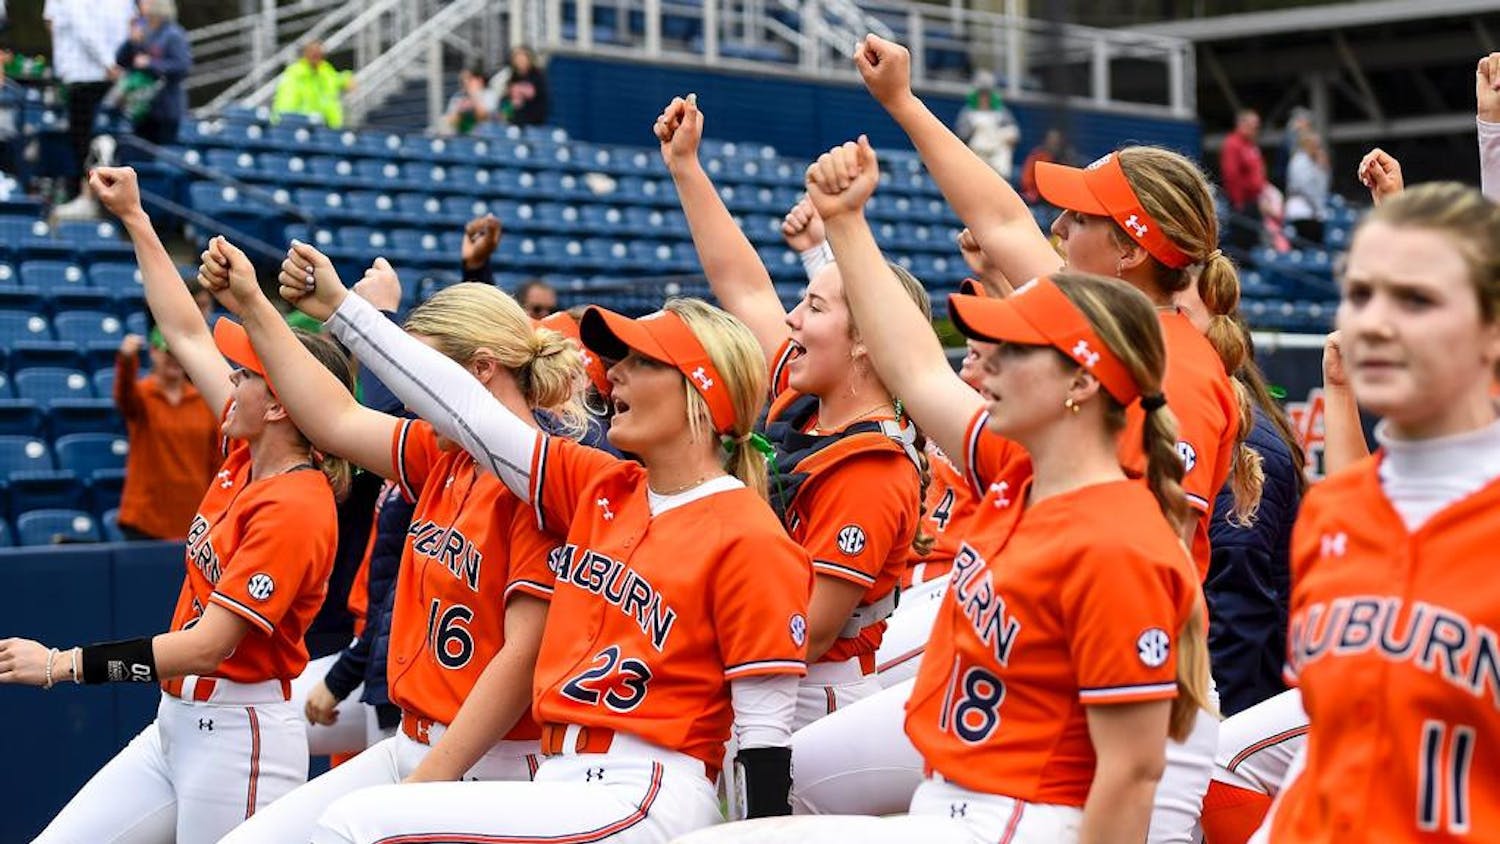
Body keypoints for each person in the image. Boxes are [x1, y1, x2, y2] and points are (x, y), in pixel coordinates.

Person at [264, 243, 813, 842]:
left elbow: (763, 737)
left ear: (700, 396)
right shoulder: (601, 486)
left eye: (640, 361)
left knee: (359, 825)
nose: (615, 372)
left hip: (647, 789)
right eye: (617, 359)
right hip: (561, 779)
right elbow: (468, 411)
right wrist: (343, 312)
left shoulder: (750, 533)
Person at [0, 165, 353, 844]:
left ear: (279, 403)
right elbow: (187, 331)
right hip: (173, 726)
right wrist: (136, 218)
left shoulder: (297, 505)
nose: (230, 378)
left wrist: (63, 664)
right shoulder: (250, 449)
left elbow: (208, 647)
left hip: (239, 738)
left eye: (246, 373)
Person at [200, 241, 586, 842]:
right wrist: (253, 304)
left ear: (480, 369)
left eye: (423, 372)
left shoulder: (541, 481)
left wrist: (425, 786)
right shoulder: (447, 455)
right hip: (412, 738)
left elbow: (521, 662)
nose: (409, 395)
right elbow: (334, 419)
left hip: (493, 767)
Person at [657, 93, 926, 728]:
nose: (791, 317)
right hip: (763, 669)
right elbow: (744, 285)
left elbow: (808, 633)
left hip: (813, 698)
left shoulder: (873, 465)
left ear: (866, 341)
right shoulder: (806, 399)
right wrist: (686, 167)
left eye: (816, 307)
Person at [1261, 182, 1500, 840]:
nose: (1374, 323)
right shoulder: (1332, 509)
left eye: (1416, 299)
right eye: (1360, 294)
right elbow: (1326, 749)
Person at [113, 324, 221, 540]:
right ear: (153, 352)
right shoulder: (143, 396)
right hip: (145, 519)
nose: (174, 360)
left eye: (178, 354)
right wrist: (126, 360)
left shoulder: (204, 401)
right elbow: (124, 395)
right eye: (167, 352)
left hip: (193, 518)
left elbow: (216, 460)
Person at [42, 0, 133, 203]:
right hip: (92, 75)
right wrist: (111, 63)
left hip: (93, 77)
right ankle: (84, 195)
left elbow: (87, 30)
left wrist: (111, 64)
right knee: (83, 142)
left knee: (87, 142)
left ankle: (89, 196)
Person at [111, 0, 190, 146]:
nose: (140, 5)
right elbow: (121, 60)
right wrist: (131, 42)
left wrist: (151, 63)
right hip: (140, 108)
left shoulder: (173, 34)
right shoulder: (142, 30)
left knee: (162, 153)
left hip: (166, 109)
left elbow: (183, 66)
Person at [272, 40, 355, 129]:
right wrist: (285, 122)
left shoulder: (325, 69)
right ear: (305, 54)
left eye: (319, 53)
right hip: (302, 125)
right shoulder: (295, 73)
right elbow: (286, 101)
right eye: (312, 52)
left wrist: (347, 78)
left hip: (328, 126)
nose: (316, 55)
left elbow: (336, 79)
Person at [954, 70, 1020, 180]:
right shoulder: (967, 113)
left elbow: (1014, 136)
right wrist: (974, 130)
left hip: (998, 160)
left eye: (987, 94)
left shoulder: (1003, 112)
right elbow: (961, 137)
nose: (984, 98)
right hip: (976, 158)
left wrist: (1005, 137)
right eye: (981, 94)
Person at [1220, 109, 1267, 255]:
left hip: (1254, 202)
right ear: (1242, 124)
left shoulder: (1251, 146)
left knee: (1253, 243)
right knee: (1242, 245)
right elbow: (1231, 174)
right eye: (1253, 125)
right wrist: (1238, 201)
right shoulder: (1233, 144)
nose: (1256, 129)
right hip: (1241, 204)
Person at [1283, 130, 1329, 245]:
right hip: (1301, 211)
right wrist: (1317, 207)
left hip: (1313, 212)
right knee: (1304, 247)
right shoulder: (1299, 161)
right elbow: (1305, 187)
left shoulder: (1315, 162)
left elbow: (1323, 187)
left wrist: (1323, 168)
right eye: (1314, 144)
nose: (1317, 148)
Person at [1019, 128, 1075, 204]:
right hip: (1036, 194)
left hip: (1058, 197)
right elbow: (1026, 178)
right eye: (1051, 139)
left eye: (1056, 141)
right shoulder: (1037, 155)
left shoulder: (1066, 157)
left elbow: (1069, 182)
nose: (1053, 142)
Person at [497, 46, 548, 126]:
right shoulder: (512, 78)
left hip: (533, 124)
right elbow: (507, 102)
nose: (520, 61)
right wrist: (505, 112)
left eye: (523, 58)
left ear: (529, 59)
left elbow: (541, 100)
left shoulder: (537, 77)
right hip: (514, 123)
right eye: (517, 58)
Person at [442, 65, 497, 135]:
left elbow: (485, 117)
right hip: (463, 135)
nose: (465, 83)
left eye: (469, 79)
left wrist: (473, 99)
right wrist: (460, 111)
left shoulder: (489, 95)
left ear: (480, 80)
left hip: (486, 137)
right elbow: (451, 121)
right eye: (462, 80)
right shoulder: (457, 96)